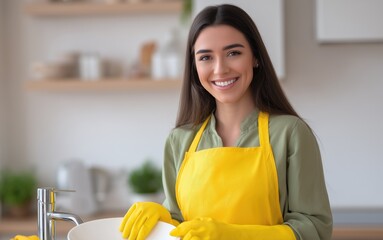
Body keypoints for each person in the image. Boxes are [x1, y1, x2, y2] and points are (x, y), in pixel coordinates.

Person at [120, 4, 332, 240]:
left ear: (256, 58)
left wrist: (233, 235)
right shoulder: (179, 140)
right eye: (206, 57)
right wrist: (163, 219)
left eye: (233, 53)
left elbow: (315, 229)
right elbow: (180, 227)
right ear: (195, 67)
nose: (220, 69)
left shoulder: (290, 134)